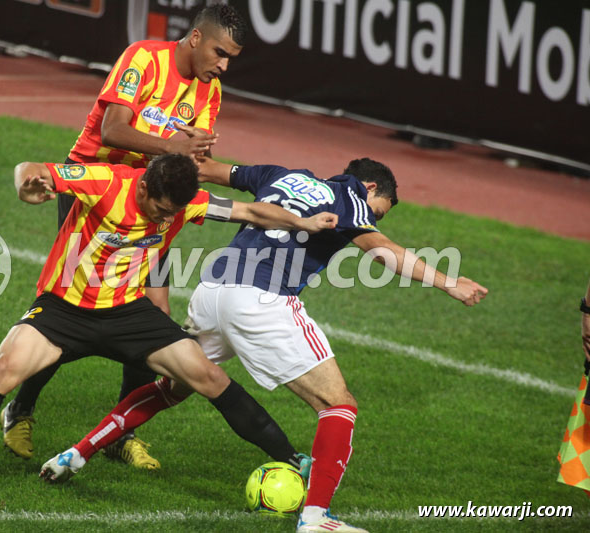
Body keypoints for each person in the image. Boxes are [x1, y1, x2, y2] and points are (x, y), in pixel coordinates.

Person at [40, 157, 489, 533]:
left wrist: (174, 151)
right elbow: (383, 251)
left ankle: (74, 454)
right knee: (339, 405)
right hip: (262, 300)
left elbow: (208, 170)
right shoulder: (351, 198)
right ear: (370, 185)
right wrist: (448, 283)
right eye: (380, 208)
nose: (375, 216)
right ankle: (317, 518)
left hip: (211, 293)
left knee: (171, 387)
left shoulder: (279, 173)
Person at [0, 153, 339, 507]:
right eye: (160, 208)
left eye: (173, 213)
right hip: (64, 310)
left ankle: (294, 459)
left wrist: (303, 223)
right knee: (3, 370)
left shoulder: (186, 203)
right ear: (144, 187)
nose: (164, 217)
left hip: (128, 313)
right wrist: (26, 186)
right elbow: (31, 169)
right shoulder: (107, 182)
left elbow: (248, 209)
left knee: (209, 376)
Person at [0, 4, 248, 469]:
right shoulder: (144, 60)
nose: (224, 65)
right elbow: (113, 129)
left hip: (153, 206)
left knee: (152, 314)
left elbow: (189, 158)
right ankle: (20, 408)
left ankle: (120, 433)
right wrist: (173, 146)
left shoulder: (210, 91)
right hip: (95, 193)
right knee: (69, 310)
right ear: (195, 38)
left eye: (232, 57)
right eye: (220, 52)